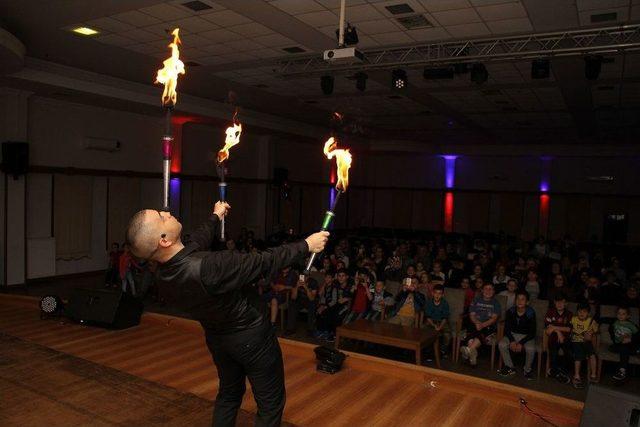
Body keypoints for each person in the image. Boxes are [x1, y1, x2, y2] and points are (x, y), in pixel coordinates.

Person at [125, 202, 329, 426]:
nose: (166, 212)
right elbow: (263, 261)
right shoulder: (212, 266)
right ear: (164, 240)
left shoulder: (163, 275)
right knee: (270, 405)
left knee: (229, 395)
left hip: (218, 339)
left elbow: (196, 242)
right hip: (252, 338)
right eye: (162, 217)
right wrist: (307, 245)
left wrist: (216, 216)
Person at [497, 290, 536, 379]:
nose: (520, 301)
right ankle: (510, 367)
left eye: (523, 299)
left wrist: (521, 343)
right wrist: (512, 341)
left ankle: (527, 370)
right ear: (515, 301)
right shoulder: (510, 311)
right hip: (512, 334)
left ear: (527, 302)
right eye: (518, 299)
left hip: (526, 336)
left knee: (531, 349)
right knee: (501, 344)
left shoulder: (530, 313)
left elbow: (532, 332)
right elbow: (506, 328)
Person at [460, 283, 501, 367]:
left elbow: (494, 318)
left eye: (490, 289)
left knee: (481, 332)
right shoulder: (476, 300)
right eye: (486, 288)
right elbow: (472, 315)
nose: (488, 291)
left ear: (493, 291)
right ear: (482, 290)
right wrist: (477, 323)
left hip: (488, 325)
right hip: (475, 323)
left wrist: (482, 325)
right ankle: (472, 354)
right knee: (472, 330)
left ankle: (467, 351)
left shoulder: (496, 303)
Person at [544, 294, 572, 383]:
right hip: (553, 338)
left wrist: (555, 328)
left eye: (562, 302)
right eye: (557, 302)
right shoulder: (550, 312)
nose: (559, 304)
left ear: (566, 303)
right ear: (554, 303)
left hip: (565, 338)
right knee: (554, 352)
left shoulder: (569, 314)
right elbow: (548, 330)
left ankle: (562, 371)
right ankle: (555, 371)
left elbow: (569, 329)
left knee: (569, 352)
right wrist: (558, 332)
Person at [570, 303, 598, 388]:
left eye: (584, 312)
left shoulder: (591, 321)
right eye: (580, 311)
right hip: (576, 341)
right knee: (578, 356)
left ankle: (593, 375)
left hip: (586, 341)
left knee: (592, 355)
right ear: (577, 312)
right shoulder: (573, 319)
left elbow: (596, 330)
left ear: (588, 313)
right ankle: (577, 376)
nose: (582, 313)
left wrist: (591, 333)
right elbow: (569, 328)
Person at [609, 306, 640, 382]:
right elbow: (611, 331)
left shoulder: (630, 325)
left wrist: (630, 339)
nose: (620, 315)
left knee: (624, 349)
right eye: (619, 313)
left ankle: (622, 371)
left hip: (628, 344)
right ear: (616, 314)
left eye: (623, 314)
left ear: (628, 316)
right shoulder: (614, 323)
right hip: (618, 344)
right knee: (611, 348)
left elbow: (638, 334)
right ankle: (636, 351)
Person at [424, 285, 451, 354]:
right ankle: (427, 350)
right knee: (424, 331)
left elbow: (445, 318)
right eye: (436, 293)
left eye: (439, 293)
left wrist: (440, 327)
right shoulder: (429, 302)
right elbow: (428, 317)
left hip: (442, 322)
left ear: (442, 295)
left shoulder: (445, 303)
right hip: (431, 321)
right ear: (432, 293)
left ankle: (443, 350)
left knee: (447, 334)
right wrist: (434, 325)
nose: (437, 295)